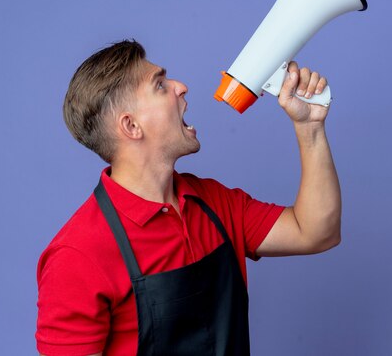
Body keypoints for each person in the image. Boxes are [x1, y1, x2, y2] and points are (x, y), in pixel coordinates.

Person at [36, 40, 342, 356]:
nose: (181, 87)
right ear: (131, 126)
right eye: (159, 85)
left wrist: (310, 127)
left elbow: (317, 232)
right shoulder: (77, 256)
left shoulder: (213, 202)